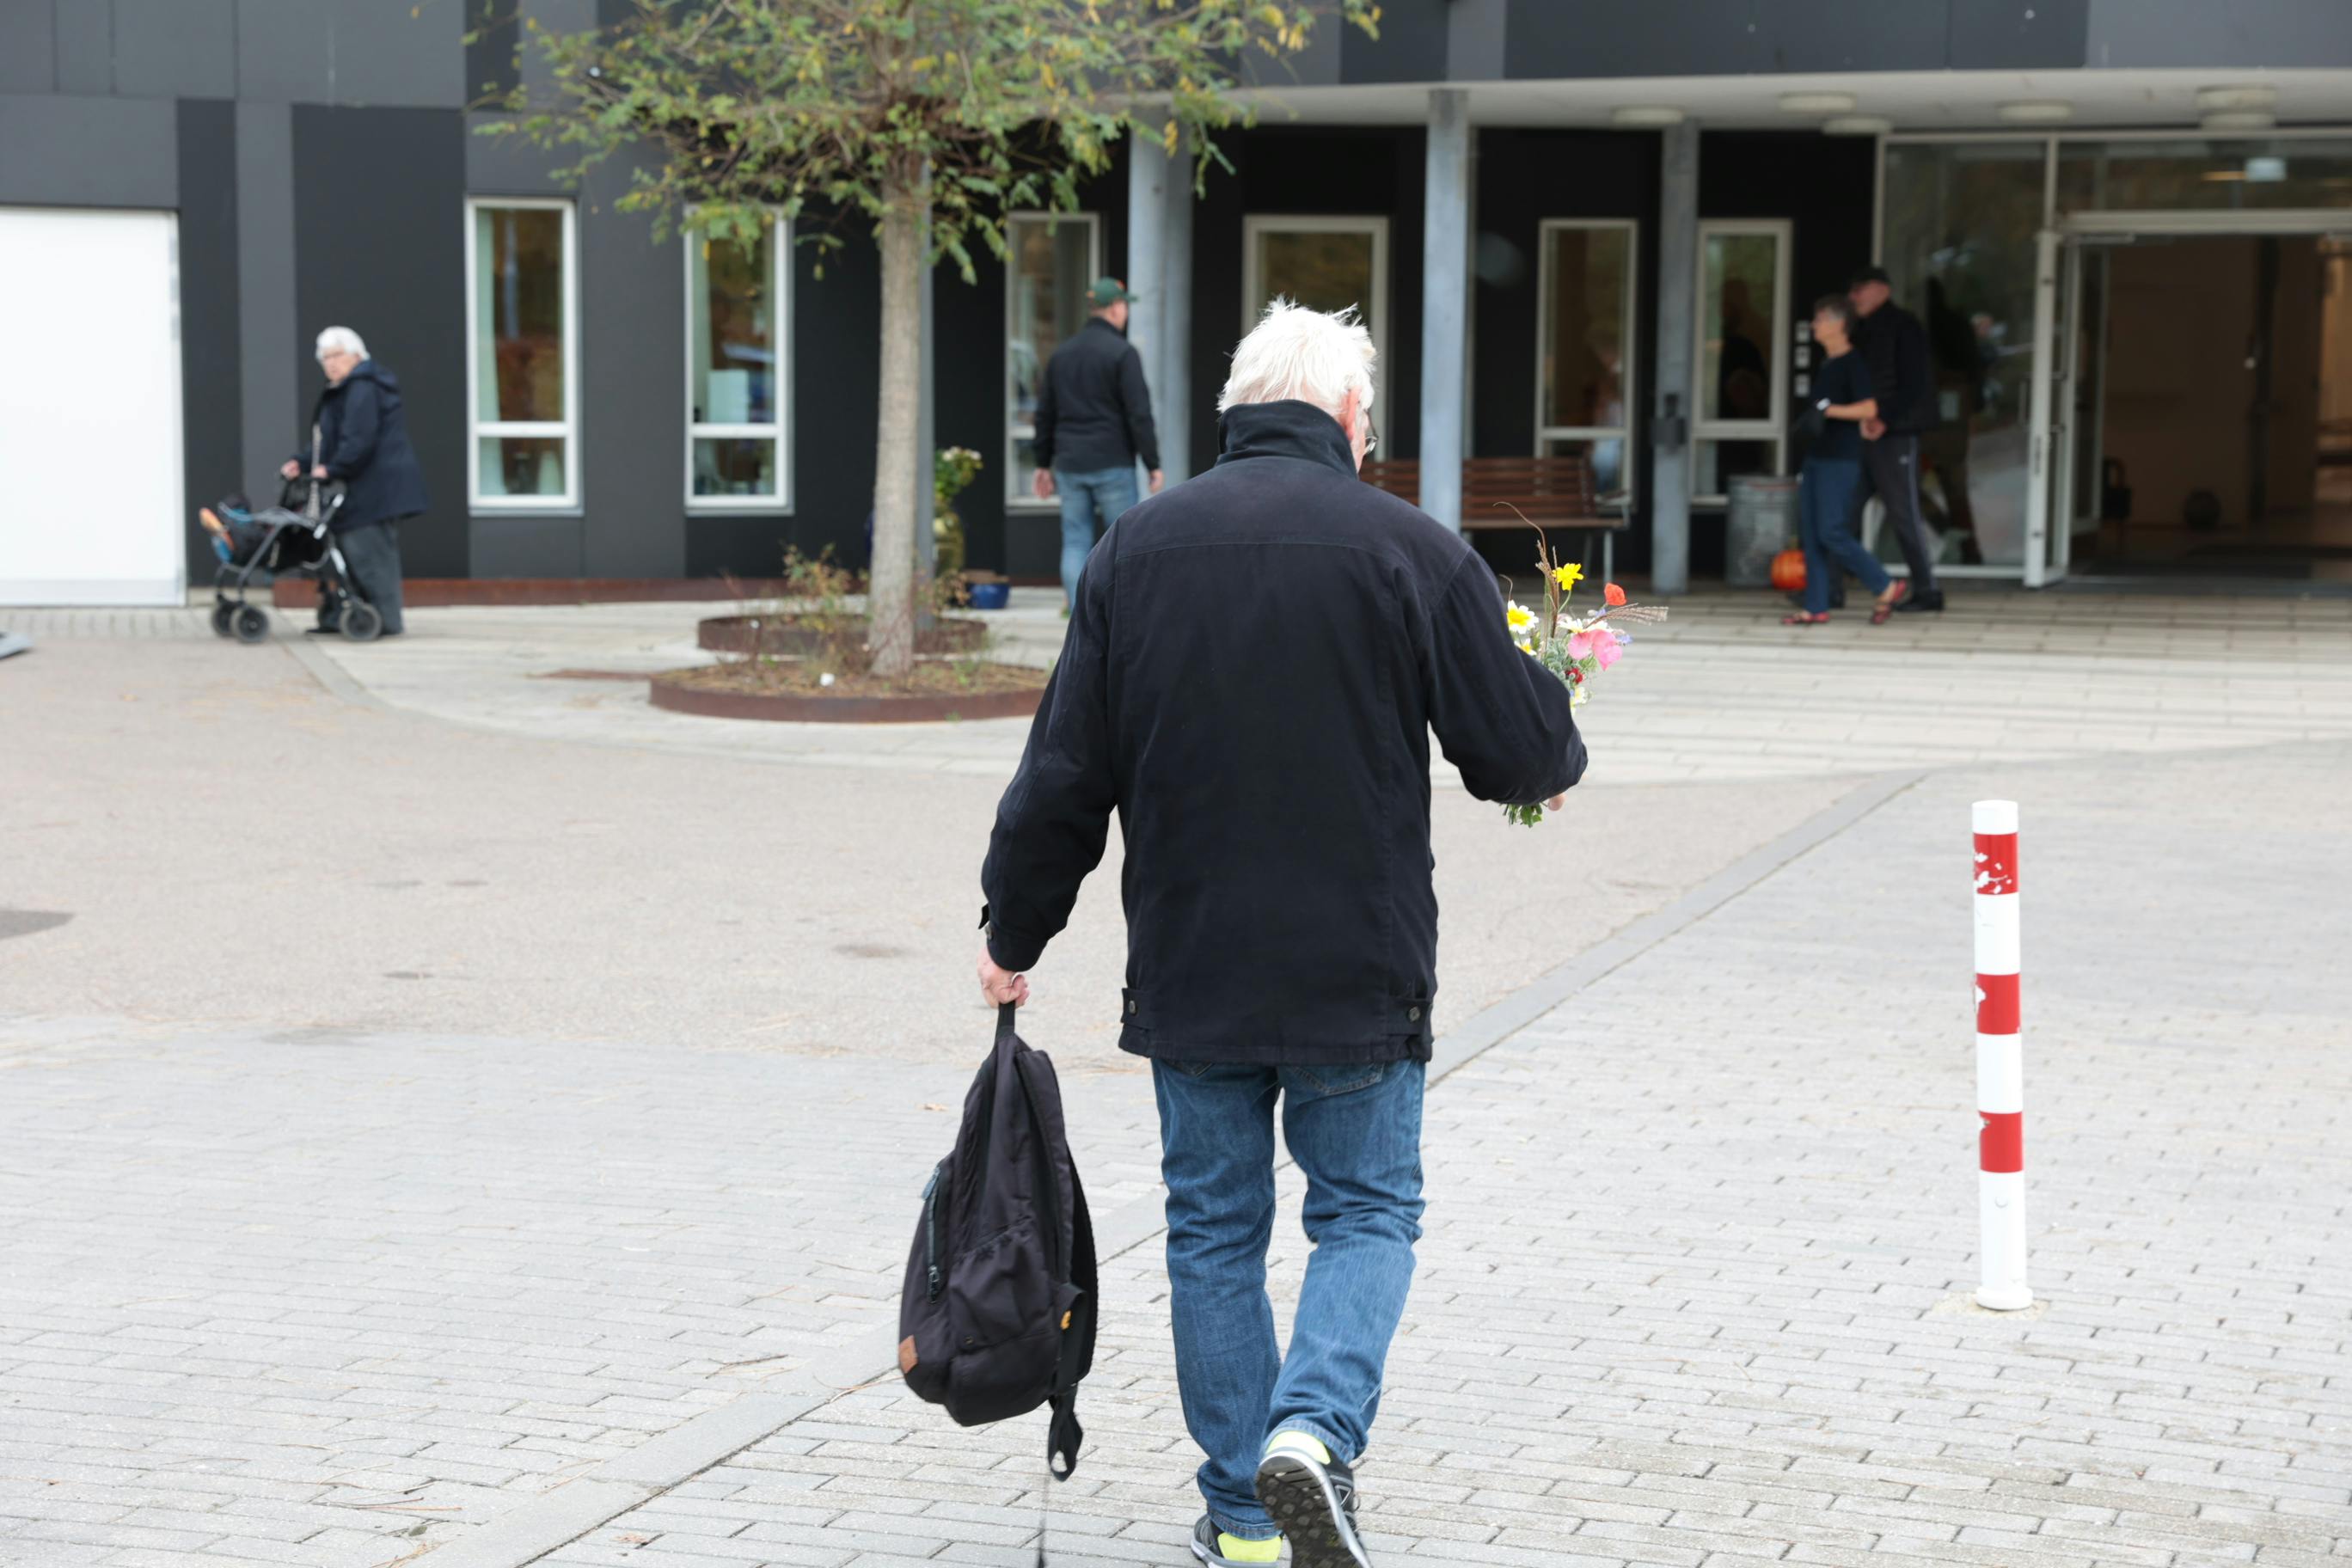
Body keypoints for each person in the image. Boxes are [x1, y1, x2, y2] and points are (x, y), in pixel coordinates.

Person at [976, 300, 1585, 1567]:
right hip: (1356, 966)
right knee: (1365, 1211)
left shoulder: (1135, 553)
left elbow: (1063, 776)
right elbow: (1519, 756)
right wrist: (1554, 713)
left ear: (1236, 410)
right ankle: (1314, 1429)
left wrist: (1015, 928)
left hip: (1195, 964)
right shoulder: (1410, 550)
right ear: (1350, 418)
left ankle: (1246, 1520)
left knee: (1212, 1230)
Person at [280, 327, 426, 635]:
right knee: (351, 554)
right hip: (362, 488)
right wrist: (303, 462)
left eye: (337, 355)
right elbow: (329, 440)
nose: (331, 363)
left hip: (376, 490)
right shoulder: (343, 389)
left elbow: (359, 440)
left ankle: (385, 622)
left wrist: (331, 469)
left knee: (371, 555)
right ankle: (354, 616)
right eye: (325, 358)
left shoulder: (363, 388)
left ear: (357, 355)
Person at [1030, 277, 1163, 610]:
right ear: (1116, 308)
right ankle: (1123, 616)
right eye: (1125, 307)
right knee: (1125, 543)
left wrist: (1042, 464)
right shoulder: (1122, 353)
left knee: (1076, 543)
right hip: (1113, 463)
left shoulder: (1062, 355)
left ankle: (1081, 621)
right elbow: (1139, 413)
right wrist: (1152, 463)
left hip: (1071, 465)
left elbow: (1045, 414)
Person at [1785, 297, 1906, 628]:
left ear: (1839, 324)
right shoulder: (1828, 364)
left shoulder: (1853, 363)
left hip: (1840, 459)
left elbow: (1869, 409)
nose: (1814, 326)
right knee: (1811, 533)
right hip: (1817, 457)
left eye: (1820, 319)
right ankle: (1815, 607)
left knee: (1831, 531)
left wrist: (1828, 411)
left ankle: (1885, 584)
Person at [1848, 266, 1940, 611]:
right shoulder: (1860, 330)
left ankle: (1928, 591)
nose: (1854, 296)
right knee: (1840, 513)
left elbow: (1915, 382)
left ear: (1882, 290)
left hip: (1897, 435)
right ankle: (1827, 590)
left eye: (1861, 289)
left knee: (1904, 513)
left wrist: (1884, 418)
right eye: (1852, 290)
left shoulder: (1905, 326)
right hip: (1865, 433)